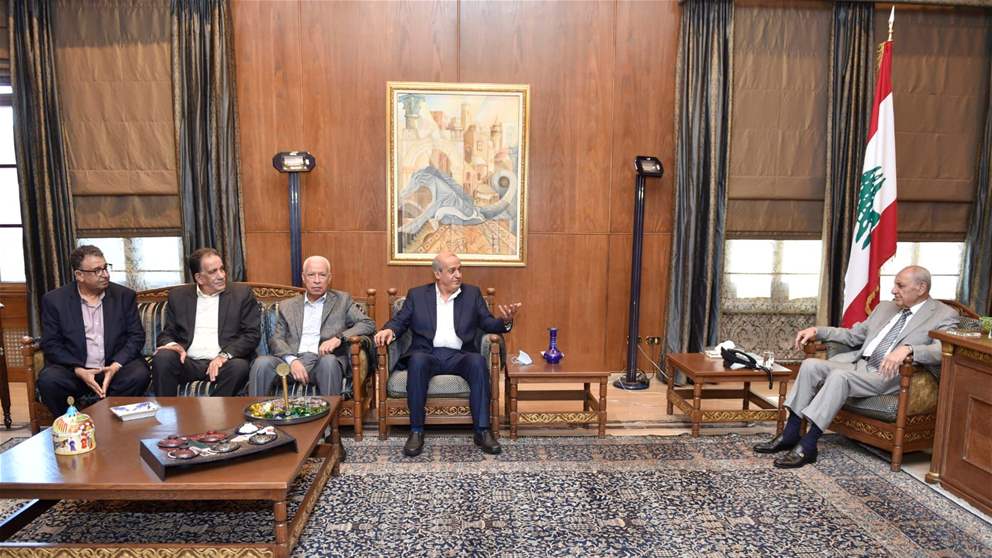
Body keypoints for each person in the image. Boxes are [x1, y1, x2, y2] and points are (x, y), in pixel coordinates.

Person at [753, 265, 958, 468]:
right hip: (859, 364)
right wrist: (818, 331)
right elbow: (853, 336)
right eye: (895, 285)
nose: (893, 290)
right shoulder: (885, 308)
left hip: (888, 374)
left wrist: (909, 349)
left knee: (839, 376)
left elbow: (943, 350)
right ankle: (791, 432)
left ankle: (808, 444)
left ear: (921, 288)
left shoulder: (944, 314)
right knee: (809, 365)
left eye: (900, 285)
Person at [374, 251, 521, 457]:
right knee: (416, 362)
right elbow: (400, 320)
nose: (458, 275)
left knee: (478, 362)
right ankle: (416, 430)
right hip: (427, 353)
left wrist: (505, 321)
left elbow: (488, 323)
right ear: (437, 274)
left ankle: (482, 430)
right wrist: (389, 329)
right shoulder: (417, 295)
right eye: (452, 271)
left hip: (460, 355)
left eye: (460, 270)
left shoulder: (472, 294)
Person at [37, 245, 150, 416]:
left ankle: (111, 419)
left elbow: (136, 336)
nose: (105, 274)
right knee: (49, 380)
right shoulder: (55, 300)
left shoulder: (124, 296)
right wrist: (78, 369)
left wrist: (115, 366)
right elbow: (51, 343)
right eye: (97, 271)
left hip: (113, 369)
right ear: (79, 275)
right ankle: (74, 425)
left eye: (105, 268)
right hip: (74, 371)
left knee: (139, 374)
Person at [248, 255, 375, 396]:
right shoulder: (287, 306)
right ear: (303, 277)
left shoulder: (342, 301)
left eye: (322, 275)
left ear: (329, 278)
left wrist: (339, 338)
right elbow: (277, 339)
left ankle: (330, 411)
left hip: (322, 361)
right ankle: (255, 410)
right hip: (292, 362)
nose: (317, 280)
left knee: (328, 362)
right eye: (311, 275)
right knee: (261, 364)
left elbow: (368, 324)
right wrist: (292, 361)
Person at [152, 248, 260, 397]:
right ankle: (166, 410)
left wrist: (224, 355)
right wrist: (173, 345)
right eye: (213, 272)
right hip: (188, 362)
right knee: (163, 358)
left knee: (239, 367)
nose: (221, 275)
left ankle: (214, 410)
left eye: (222, 269)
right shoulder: (178, 296)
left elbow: (251, 334)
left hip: (224, 364)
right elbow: (167, 333)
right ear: (199, 278)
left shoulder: (241, 294)